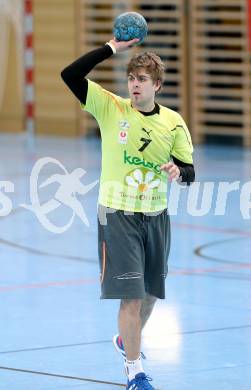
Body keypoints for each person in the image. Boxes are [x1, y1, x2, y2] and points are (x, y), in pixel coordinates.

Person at [61, 37, 195, 390]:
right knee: (132, 296)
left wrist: (179, 173)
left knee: (151, 293)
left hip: (156, 215)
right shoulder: (111, 108)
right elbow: (69, 74)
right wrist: (111, 48)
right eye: (132, 78)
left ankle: (126, 341)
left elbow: (189, 172)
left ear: (157, 86)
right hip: (118, 214)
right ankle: (134, 372)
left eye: (142, 79)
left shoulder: (174, 123)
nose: (135, 84)